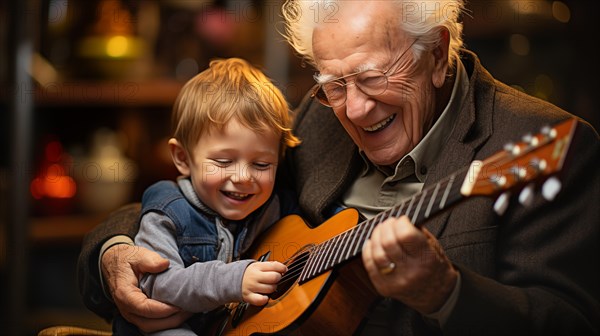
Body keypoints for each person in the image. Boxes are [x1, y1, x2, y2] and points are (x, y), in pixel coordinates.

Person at [78, 1, 600, 335]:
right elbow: (197, 197)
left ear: (438, 54)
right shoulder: (317, 115)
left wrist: (447, 292)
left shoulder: (535, 140)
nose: (353, 109)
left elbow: (571, 322)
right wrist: (116, 251)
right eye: (333, 84)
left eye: (373, 78)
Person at [108, 57, 301, 335]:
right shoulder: (167, 212)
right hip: (163, 327)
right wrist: (234, 280)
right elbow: (159, 284)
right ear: (183, 158)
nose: (244, 177)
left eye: (261, 165)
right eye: (223, 162)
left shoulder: (274, 207)